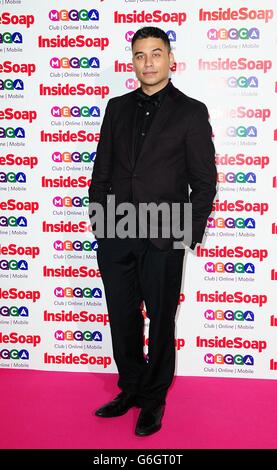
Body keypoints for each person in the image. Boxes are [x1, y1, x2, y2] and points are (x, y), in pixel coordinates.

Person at [88, 26, 217, 436]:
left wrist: (187, 233)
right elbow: (101, 170)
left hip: (165, 234)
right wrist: (100, 225)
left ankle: (153, 398)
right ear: (133, 61)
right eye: (140, 55)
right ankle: (130, 387)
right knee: (122, 317)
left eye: (156, 54)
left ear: (170, 59)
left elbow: (204, 180)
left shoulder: (192, 111)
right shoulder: (116, 107)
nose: (148, 62)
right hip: (116, 231)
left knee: (162, 320)